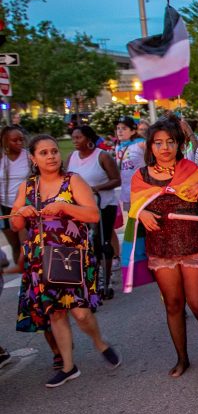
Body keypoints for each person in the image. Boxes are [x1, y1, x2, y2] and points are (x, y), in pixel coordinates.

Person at [11, 135, 121, 387]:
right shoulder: (27, 187)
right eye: (44, 153)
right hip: (40, 259)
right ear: (33, 158)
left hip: (72, 256)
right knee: (56, 313)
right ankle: (69, 366)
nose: (51, 156)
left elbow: (93, 215)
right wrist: (21, 212)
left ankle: (99, 342)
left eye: (54, 151)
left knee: (81, 314)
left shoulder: (73, 181)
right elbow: (16, 223)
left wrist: (65, 206)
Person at [130, 117, 198, 377]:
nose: (164, 147)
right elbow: (134, 207)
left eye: (170, 142)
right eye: (158, 143)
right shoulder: (140, 176)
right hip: (160, 249)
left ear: (179, 144)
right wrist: (140, 214)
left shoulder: (192, 170)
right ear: (150, 146)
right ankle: (182, 358)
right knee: (173, 304)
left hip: (193, 243)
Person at [68, 125, 120, 300]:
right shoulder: (71, 157)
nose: (75, 141)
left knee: (101, 242)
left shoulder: (102, 156)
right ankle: (92, 279)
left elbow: (116, 179)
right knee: (86, 244)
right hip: (80, 206)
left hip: (103, 204)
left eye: (78, 138)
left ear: (89, 139)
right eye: (73, 138)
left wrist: (96, 188)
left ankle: (106, 280)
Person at [0, 125, 29, 269]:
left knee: (25, 245)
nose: (19, 143)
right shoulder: (1, 158)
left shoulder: (29, 157)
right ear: (5, 141)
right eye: (14, 140)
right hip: (5, 207)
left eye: (21, 140)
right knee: (15, 245)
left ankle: (29, 279)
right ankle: (22, 281)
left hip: (24, 206)